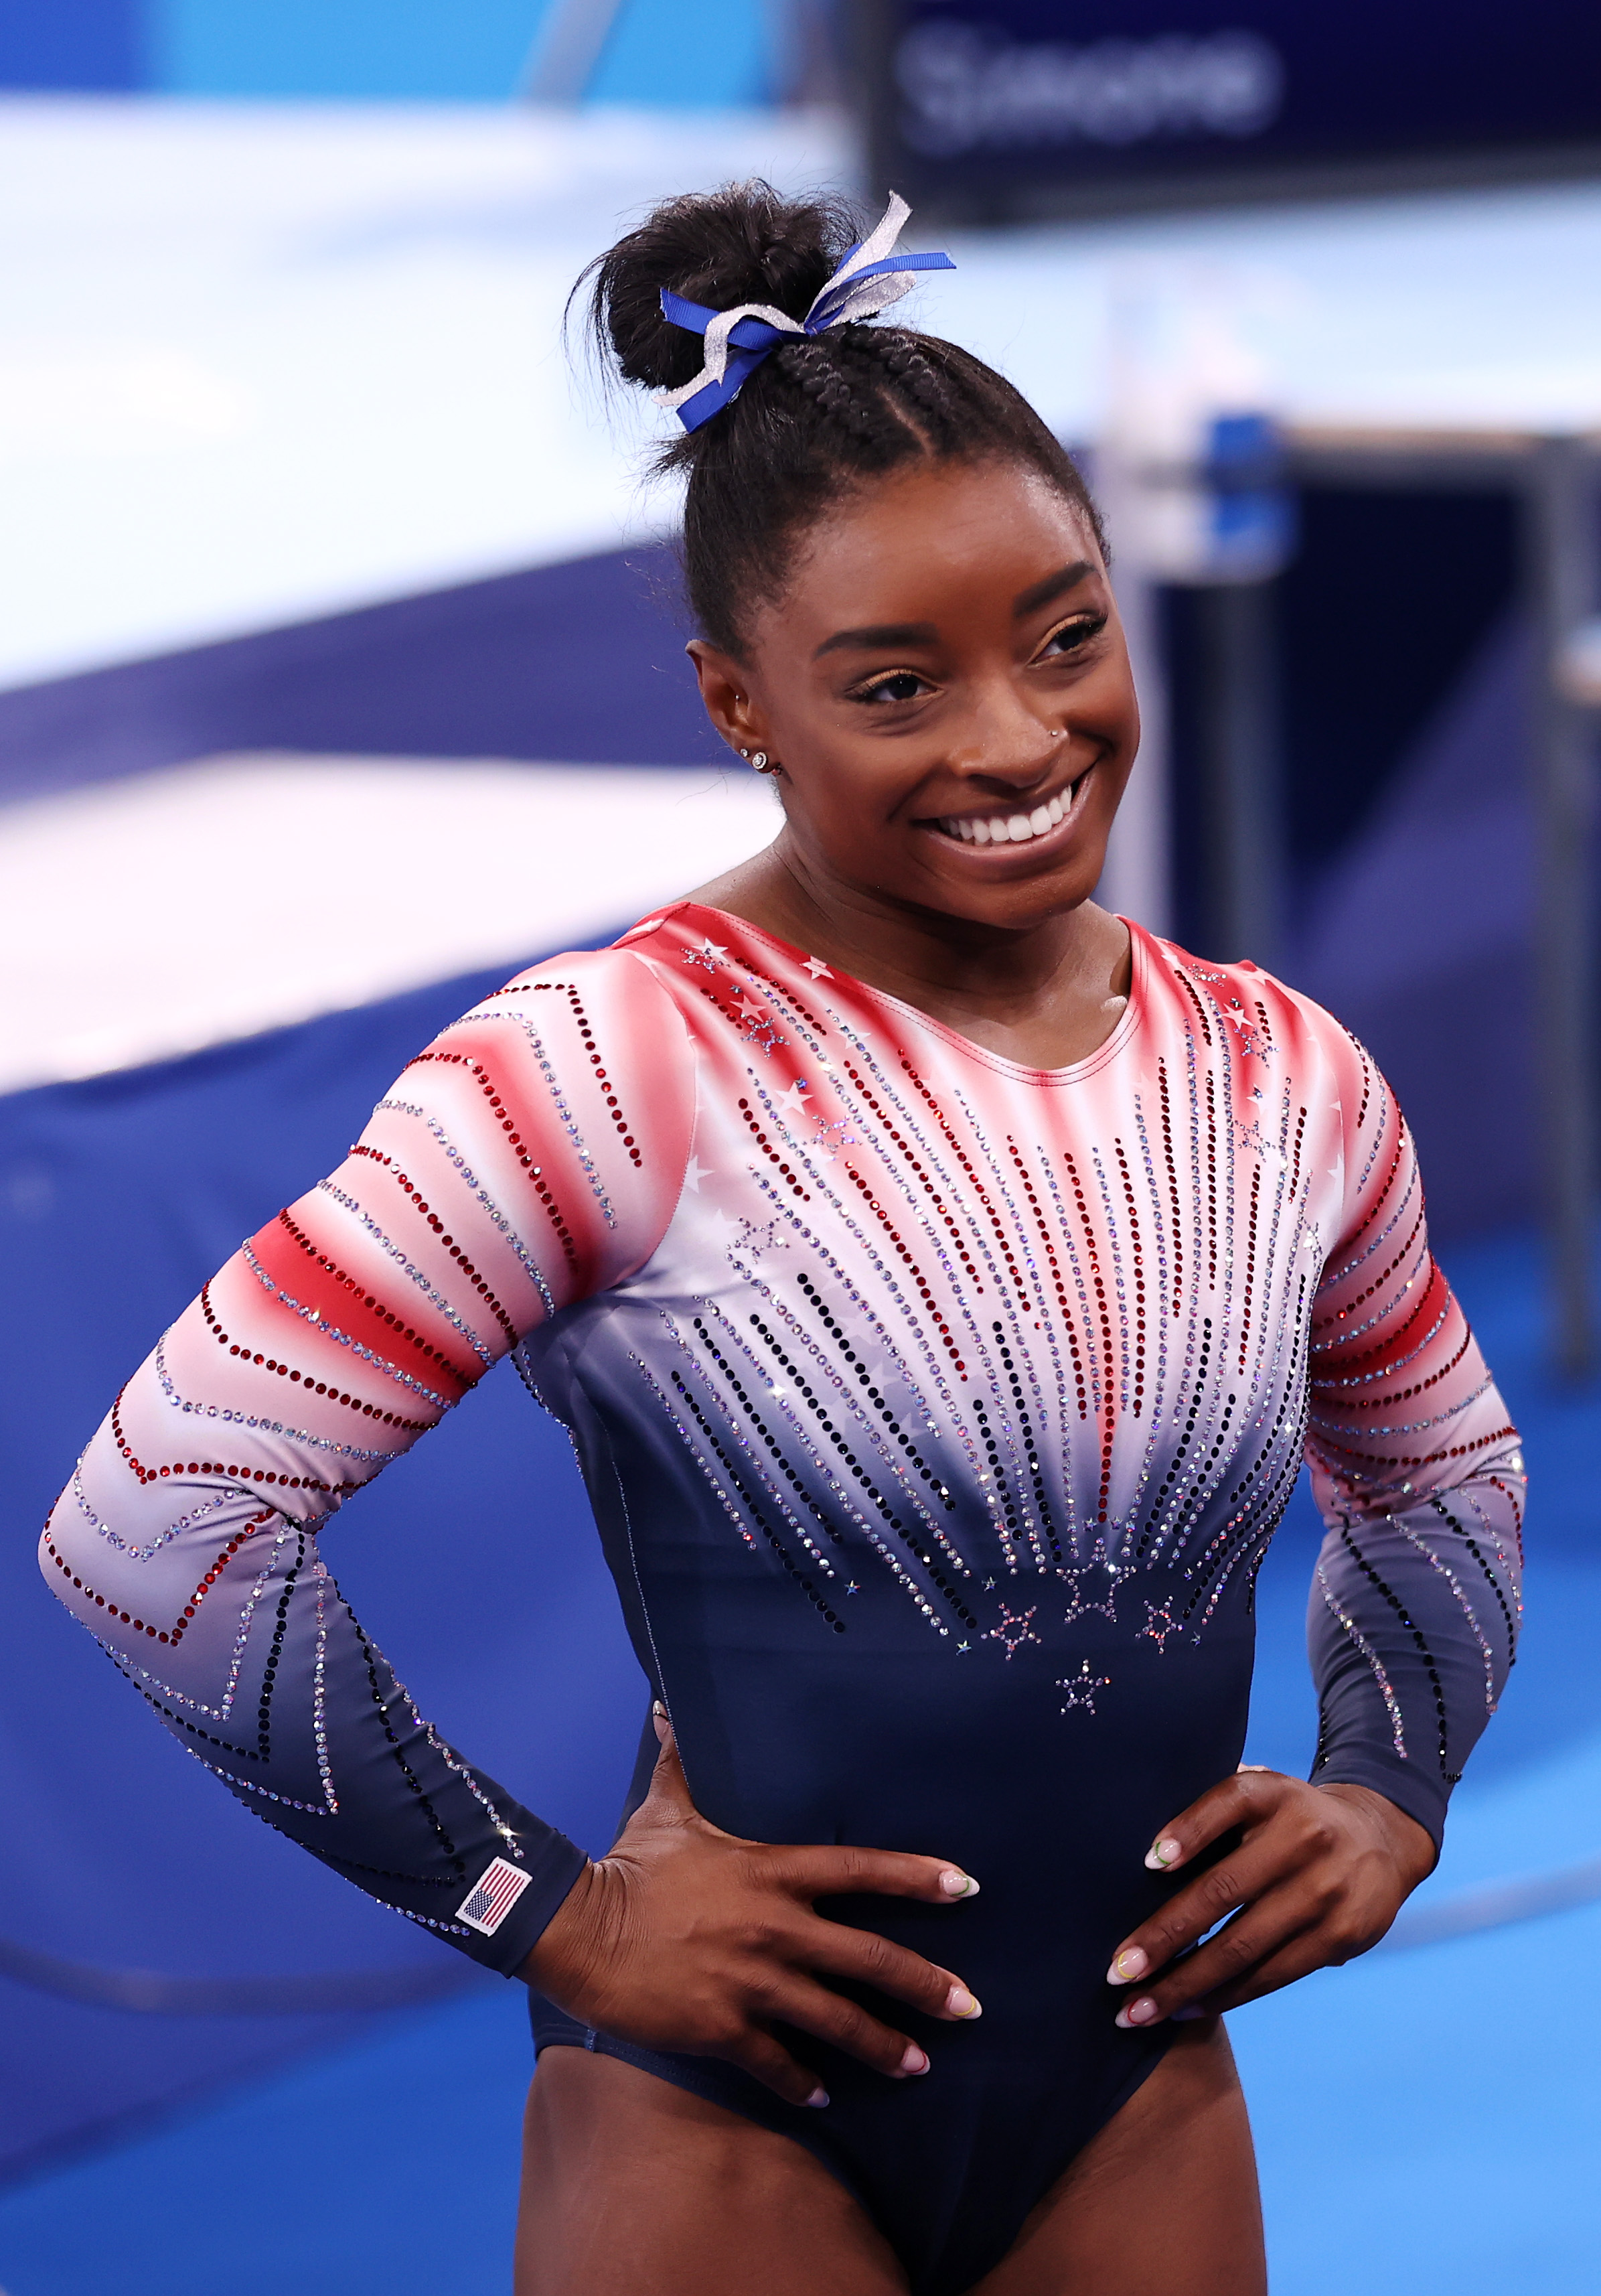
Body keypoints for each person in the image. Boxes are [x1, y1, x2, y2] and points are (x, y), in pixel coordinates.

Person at [43, 183, 1525, 2296]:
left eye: (1067, 633)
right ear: (741, 702)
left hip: (1136, 2091)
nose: (1017, 738)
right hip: (732, 2123)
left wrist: (1391, 1782)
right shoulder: (603, 1069)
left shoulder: (1277, 1075)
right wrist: (539, 1908)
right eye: (896, 682)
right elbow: (157, 1521)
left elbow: (1441, 1468)